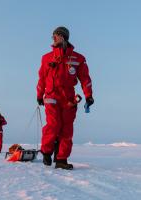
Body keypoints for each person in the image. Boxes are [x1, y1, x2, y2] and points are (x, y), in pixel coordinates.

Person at [36, 26, 94, 169]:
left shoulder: (78, 58)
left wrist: (89, 96)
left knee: (67, 129)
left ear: (62, 37)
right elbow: (41, 78)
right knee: (54, 124)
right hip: (51, 95)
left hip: (69, 97)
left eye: (55, 36)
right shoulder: (46, 58)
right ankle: (47, 151)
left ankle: (61, 159)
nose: (53, 39)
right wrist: (39, 94)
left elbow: (85, 79)